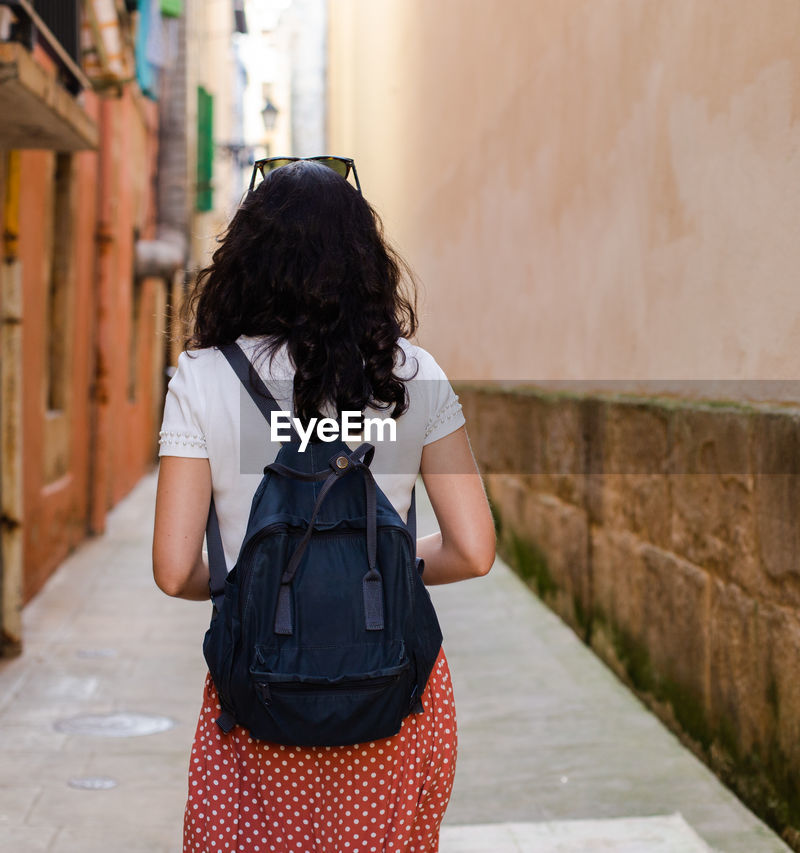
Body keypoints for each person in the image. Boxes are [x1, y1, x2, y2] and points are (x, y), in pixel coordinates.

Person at [151, 157, 496, 852]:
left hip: (261, 699)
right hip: (396, 694)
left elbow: (173, 567)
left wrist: (254, 582)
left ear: (246, 259)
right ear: (365, 259)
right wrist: (377, 568)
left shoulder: (203, 377)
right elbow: (474, 549)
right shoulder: (414, 372)